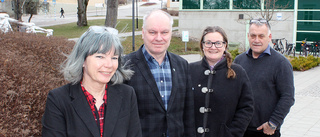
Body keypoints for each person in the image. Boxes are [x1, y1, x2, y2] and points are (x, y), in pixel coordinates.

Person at [42, 26, 142, 137]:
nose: (109, 65)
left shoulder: (127, 95)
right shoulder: (58, 100)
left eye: (114, 58)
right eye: (100, 57)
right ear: (82, 60)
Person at [124, 10, 195, 137]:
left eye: (164, 32)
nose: (158, 38)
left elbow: (188, 113)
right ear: (143, 32)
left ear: (170, 34)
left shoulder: (182, 65)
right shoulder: (125, 65)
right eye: (152, 32)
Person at [234, 18, 295, 137]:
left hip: (266, 131)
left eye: (261, 36)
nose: (256, 40)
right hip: (240, 129)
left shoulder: (281, 63)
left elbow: (288, 97)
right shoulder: (239, 61)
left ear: (269, 37)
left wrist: (273, 123)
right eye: (253, 36)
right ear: (248, 36)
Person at [190, 26, 254, 137]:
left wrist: (232, 133)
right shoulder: (190, 70)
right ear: (202, 45)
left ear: (225, 45)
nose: (213, 47)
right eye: (208, 43)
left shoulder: (238, 72)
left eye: (218, 43)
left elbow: (246, 107)